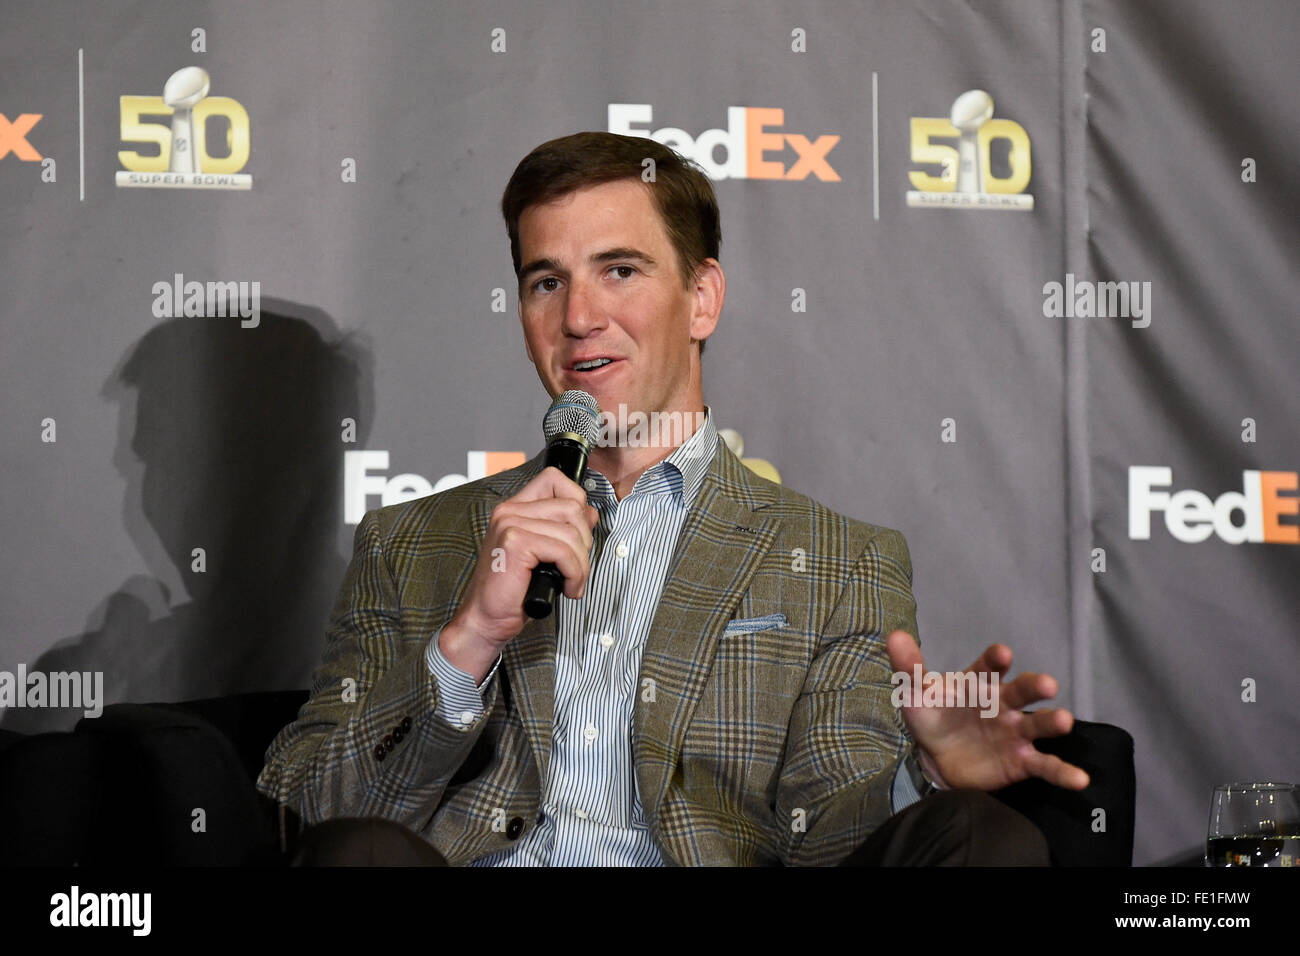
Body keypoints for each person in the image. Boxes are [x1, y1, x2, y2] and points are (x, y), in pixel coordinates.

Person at [257, 131, 1088, 866]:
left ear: (702, 298)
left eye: (620, 270)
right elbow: (311, 819)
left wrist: (927, 776)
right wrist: (469, 640)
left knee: (987, 838)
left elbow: (825, 836)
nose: (580, 316)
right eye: (546, 282)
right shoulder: (408, 543)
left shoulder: (839, 562)